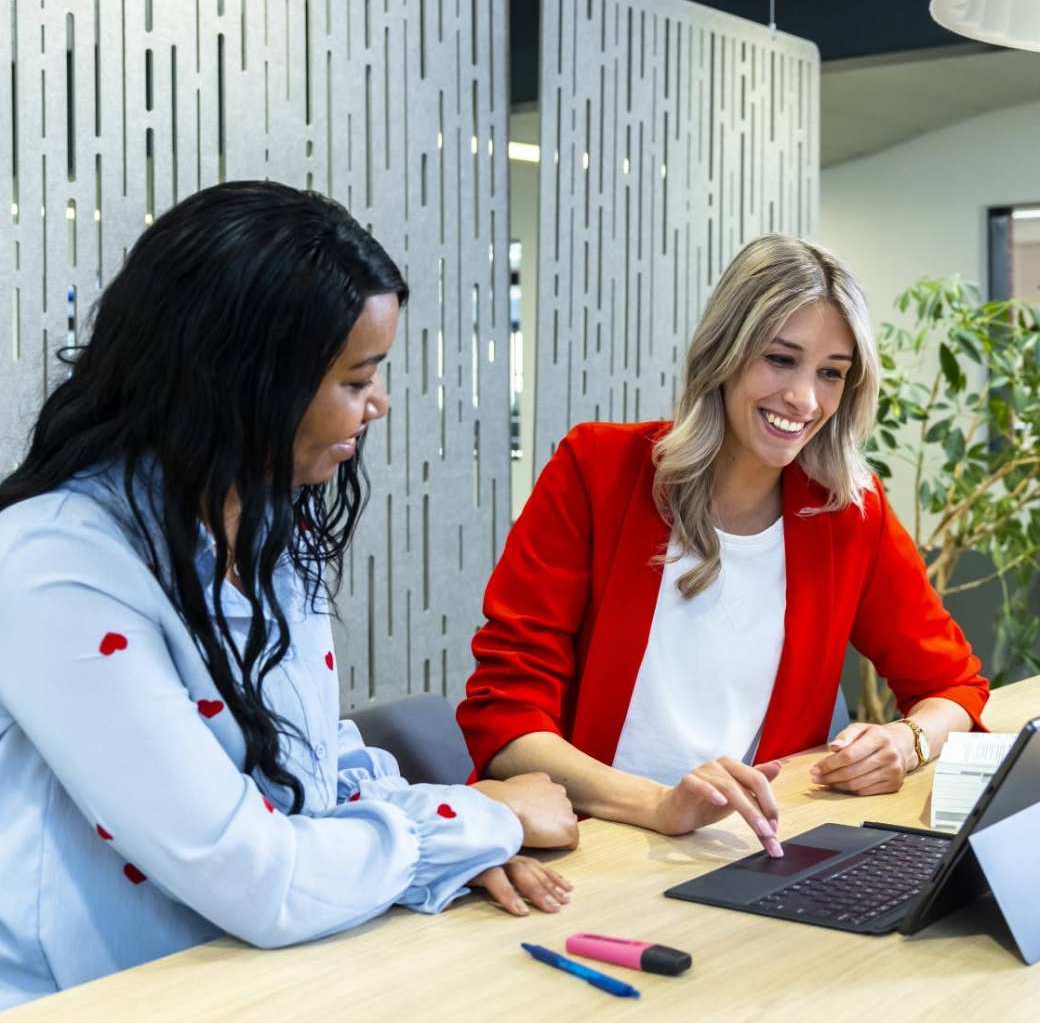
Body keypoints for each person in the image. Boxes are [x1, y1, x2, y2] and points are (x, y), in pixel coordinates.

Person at [0, 181, 577, 1010]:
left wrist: (445, 842)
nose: (378, 405)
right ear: (239, 379)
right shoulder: (58, 563)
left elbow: (310, 776)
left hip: (255, 982)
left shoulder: (260, 526)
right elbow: (251, 874)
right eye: (355, 378)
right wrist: (480, 819)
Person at [457, 234, 989, 860]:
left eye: (831, 374)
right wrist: (658, 806)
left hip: (749, 850)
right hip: (584, 846)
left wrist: (907, 742)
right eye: (780, 359)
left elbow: (954, 688)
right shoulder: (597, 471)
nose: (804, 399)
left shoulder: (848, 512)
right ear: (725, 352)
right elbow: (507, 721)